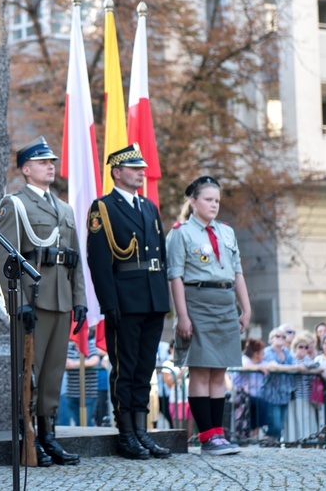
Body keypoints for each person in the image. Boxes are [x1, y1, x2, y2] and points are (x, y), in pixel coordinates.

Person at [0, 136, 87, 466]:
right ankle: (28, 436)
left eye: (53, 162)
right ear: (26, 169)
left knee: (52, 374)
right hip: (33, 300)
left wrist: (80, 299)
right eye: (44, 162)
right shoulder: (14, 204)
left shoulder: (64, 208)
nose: (51, 166)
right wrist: (14, 301)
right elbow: (4, 256)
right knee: (29, 373)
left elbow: (74, 258)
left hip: (61, 300)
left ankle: (49, 435)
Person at [86, 143, 171, 460]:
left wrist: (162, 297)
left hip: (152, 298)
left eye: (142, 168)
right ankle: (126, 434)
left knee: (144, 370)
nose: (141, 173)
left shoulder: (148, 207)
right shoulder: (103, 208)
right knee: (125, 368)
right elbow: (99, 260)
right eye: (135, 169)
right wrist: (109, 304)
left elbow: (159, 255)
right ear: (117, 172)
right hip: (125, 299)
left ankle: (141, 431)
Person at [166, 175, 250, 456]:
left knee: (220, 370)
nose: (214, 205)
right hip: (197, 301)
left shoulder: (226, 231)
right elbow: (175, 276)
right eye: (208, 200)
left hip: (225, 302)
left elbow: (237, 272)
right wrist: (183, 315)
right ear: (193, 202)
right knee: (201, 370)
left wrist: (245, 308)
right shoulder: (181, 233)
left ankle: (219, 433)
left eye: (217, 200)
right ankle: (206, 436)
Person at [259, 328, 304, 442]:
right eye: (277, 336)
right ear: (271, 338)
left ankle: (273, 447)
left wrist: (289, 368)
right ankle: (267, 442)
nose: (281, 339)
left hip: (285, 394)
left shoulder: (287, 352)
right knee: (275, 424)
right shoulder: (267, 351)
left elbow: (298, 365)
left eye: (283, 337)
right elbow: (273, 367)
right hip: (271, 394)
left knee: (280, 426)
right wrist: (292, 368)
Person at [285, 332, 322, 443]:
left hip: (307, 396)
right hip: (293, 396)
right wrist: (298, 368)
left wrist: (307, 369)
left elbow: (318, 367)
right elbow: (293, 368)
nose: (303, 349)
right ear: (295, 347)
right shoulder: (291, 358)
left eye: (306, 347)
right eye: (300, 346)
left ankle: (307, 444)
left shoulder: (307, 359)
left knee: (307, 424)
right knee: (294, 425)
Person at [230, 338, 269, 440]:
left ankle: (252, 435)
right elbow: (243, 367)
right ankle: (244, 437)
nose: (264, 355)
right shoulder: (244, 360)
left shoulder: (260, 363)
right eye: (262, 352)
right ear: (256, 353)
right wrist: (258, 368)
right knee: (244, 418)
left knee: (261, 409)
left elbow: (271, 366)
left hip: (253, 396)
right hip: (241, 395)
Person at [65, 337, 99, 427]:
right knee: (77, 423)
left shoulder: (90, 345)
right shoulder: (68, 347)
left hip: (88, 393)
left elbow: (95, 360)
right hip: (72, 392)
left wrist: (75, 364)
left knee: (87, 422)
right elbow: (63, 362)